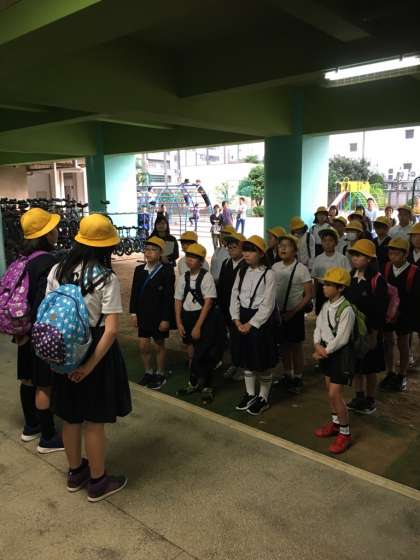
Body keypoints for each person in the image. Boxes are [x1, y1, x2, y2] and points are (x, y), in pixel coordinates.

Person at [47, 214, 132, 502]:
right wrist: (88, 366)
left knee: (70, 417)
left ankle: (75, 473)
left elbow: (49, 311)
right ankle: (98, 482)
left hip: (63, 348)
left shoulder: (57, 269)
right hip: (95, 351)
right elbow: (111, 330)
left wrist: (63, 360)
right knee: (94, 422)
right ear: (106, 246)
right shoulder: (105, 278)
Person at [16, 208, 64, 452]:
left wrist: (23, 330)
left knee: (27, 379)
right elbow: (44, 302)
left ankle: (30, 427)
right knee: (44, 384)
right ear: (46, 233)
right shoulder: (48, 262)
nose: (57, 231)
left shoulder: (22, 259)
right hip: (40, 332)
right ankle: (48, 437)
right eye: (53, 228)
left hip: (22, 330)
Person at [230, 236, 277, 416]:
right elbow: (234, 295)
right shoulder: (241, 272)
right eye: (245, 250)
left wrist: (251, 324)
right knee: (246, 359)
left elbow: (268, 304)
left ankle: (263, 397)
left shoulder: (269, 274)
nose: (246, 254)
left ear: (261, 254)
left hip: (260, 322)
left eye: (251, 251)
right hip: (242, 318)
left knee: (262, 361)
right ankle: (250, 394)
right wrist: (236, 319)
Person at [313, 267, 355, 454]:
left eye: (329, 284)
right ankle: (336, 424)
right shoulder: (326, 305)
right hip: (326, 353)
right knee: (329, 391)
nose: (324, 287)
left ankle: (345, 433)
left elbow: (342, 339)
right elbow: (319, 326)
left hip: (340, 355)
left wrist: (324, 351)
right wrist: (316, 344)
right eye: (325, 283)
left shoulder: (347, 310)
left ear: (341, 288)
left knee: (335, 394)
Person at [175, 243, 223, 403]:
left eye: (194, 257)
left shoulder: (206, 277)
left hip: (204, 319)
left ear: (201, 261)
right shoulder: (183, 277)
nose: (189, 259)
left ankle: (207, 386)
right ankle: (194, 382)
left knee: (205, 353)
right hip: (187, 317)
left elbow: (208, 303)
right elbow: (178, 300)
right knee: (192, 353)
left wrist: (198, 326)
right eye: (188, 256)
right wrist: (179, 322)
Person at [345, 240, 388, 415]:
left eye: (359, 255)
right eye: (353, 255)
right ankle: (359, 396)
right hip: (353, 332)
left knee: (370, 368)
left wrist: (374, 334)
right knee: (357, 367)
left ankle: (370, 400)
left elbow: (380, 311)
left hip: (370, 332)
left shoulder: (377, 280)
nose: (354, 258)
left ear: (369, 259)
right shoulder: (350, 277)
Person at [129, 236, 175, 391]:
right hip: (143, 315)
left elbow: (168, 297)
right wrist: (133, 313)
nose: (148, 253)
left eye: (153, 250)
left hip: (159, 316)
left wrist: (166, 319)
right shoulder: (139, 270)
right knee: (143, 346)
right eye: (146, 249)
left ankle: (160, 373)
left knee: (159, 344)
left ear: (160, 253)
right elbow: (134, 293)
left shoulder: (166, 271)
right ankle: (148, 371)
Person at [272, 235, 313, 394]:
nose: (282, 248)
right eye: (280, 245)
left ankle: (298, 377)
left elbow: (308, 295)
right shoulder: (275, 267)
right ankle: (287, 374)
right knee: (283, 345)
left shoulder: (301, 269)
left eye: (287, 246)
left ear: (295, 251)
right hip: (278, 314)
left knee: (296, 346)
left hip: (295, 314)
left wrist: (294, 311)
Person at [380, 238, 420, 392]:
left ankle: (402, 375)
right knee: (388, 342)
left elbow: (416, 298)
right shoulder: (386, 268)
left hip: (405, 315)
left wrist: (404, 313)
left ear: (405, 254)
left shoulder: (415, 272)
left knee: (403, 343)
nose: (393, 256)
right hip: (388, 313)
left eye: (397, 253)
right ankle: (390, 372)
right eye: (391, 253)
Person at [218, 232, 247, 380]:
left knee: (241, 338)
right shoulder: (226, 263)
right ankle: (235, 363)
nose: (231, 250)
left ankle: (243, 366)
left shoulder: (246, 265)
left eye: (234, 247)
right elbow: (221, 286)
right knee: (232, 339)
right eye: (229, 247)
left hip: (241, 310)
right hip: (226, 309)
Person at [311, 228, 351, 315]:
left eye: (330, 240)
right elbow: (315, 279)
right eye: (324, 241)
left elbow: (347, 277)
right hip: (322, 290)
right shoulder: (318, 259)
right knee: (321, 313)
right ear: (321, 243)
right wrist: (314, 294)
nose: (327, 243)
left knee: (336, 314)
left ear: (335, 243)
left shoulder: (342, 259)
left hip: (337, 290)